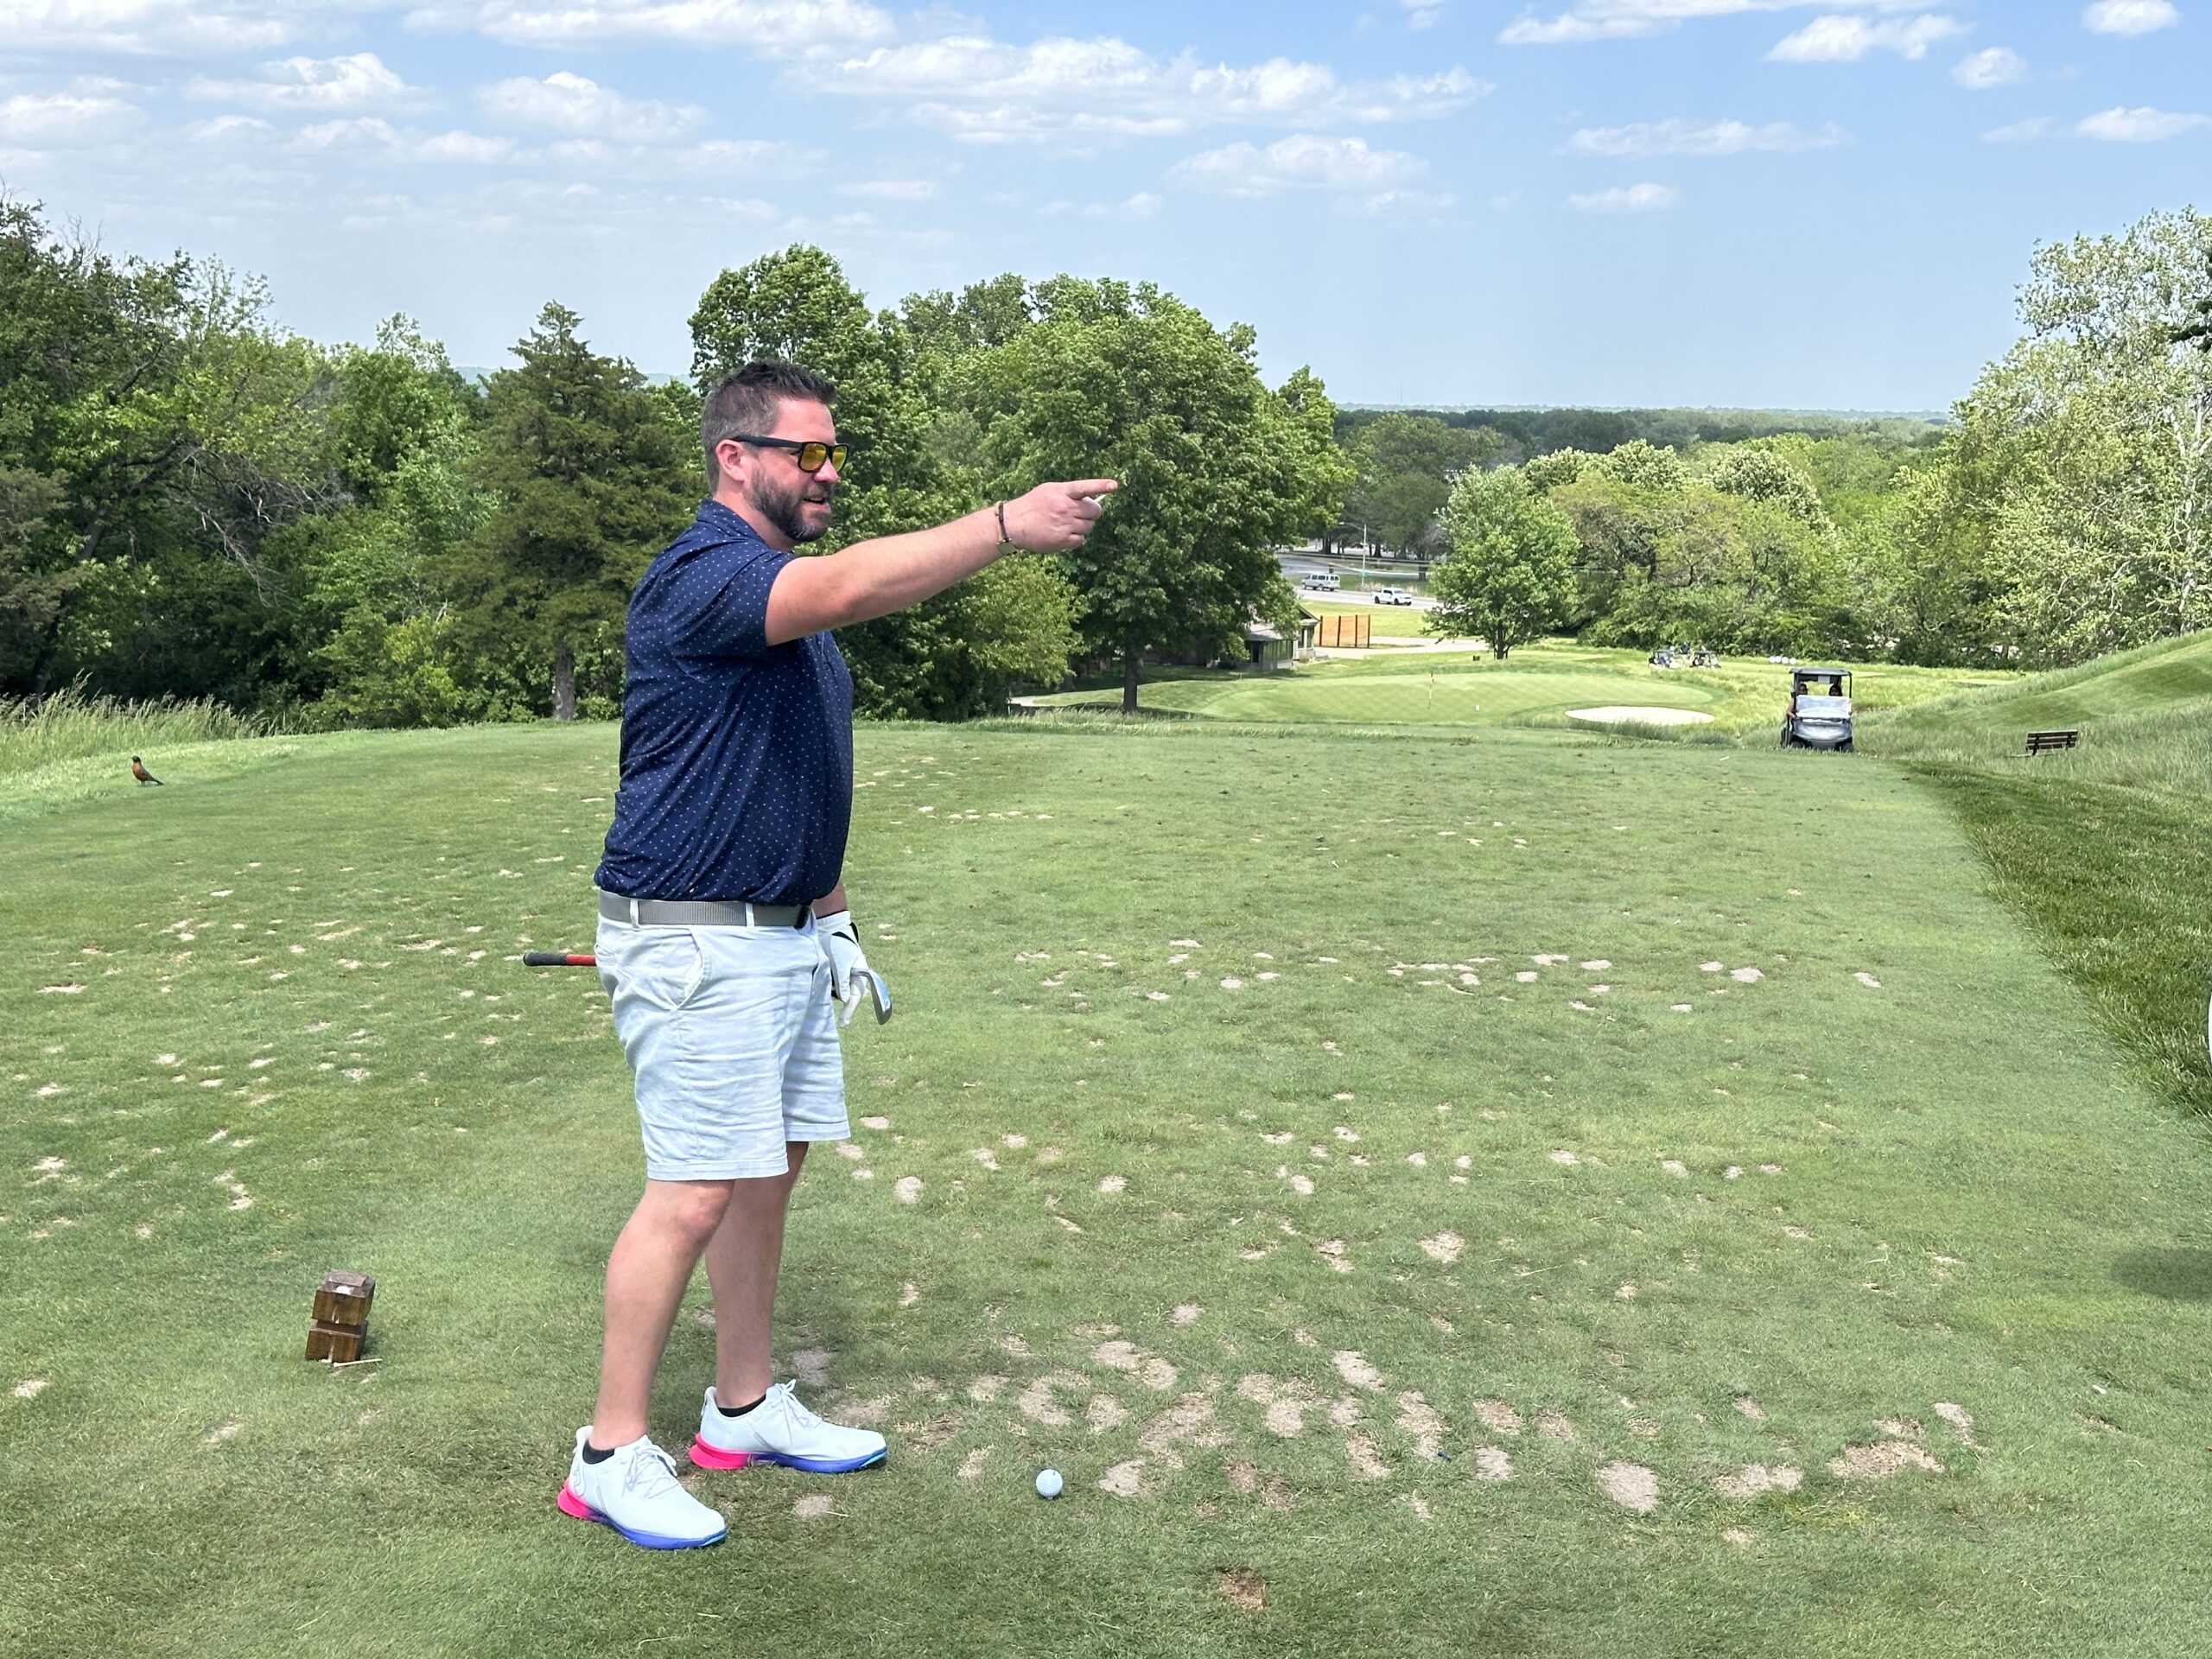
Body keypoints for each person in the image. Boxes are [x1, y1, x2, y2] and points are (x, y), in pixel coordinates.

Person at [556, 359, 1116, 1550]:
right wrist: (1004, 525)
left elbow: (797, 779)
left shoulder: (784, 615)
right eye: (804, 454)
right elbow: (852, 582)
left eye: (833, 455)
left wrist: (836, 918)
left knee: (769, 1170)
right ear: (734, 458)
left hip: (783, 932)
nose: (826, 474)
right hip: (696, 941)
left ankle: (742, 1407)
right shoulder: (704, 575)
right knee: (693, 1191)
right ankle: (608, 1453)